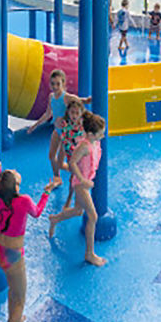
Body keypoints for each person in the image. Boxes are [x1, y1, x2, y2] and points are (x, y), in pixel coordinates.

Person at [0, 151, 55, 322]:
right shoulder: (24, 200)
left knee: (13, 290)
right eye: (13, 173)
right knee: (20, 299)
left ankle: (14, 319)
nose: (14, 169)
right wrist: (46, 192)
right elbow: (37, 212)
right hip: (13, 255)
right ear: (16, 188)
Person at [48, 112, 107, 266]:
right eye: (101, 133)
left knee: (78, 211)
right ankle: (89, 254)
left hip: (85, 181)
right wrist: (83, 180)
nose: (103, 135)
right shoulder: (84, 146)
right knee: (92, 216)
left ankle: (55, 219)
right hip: (80, 184)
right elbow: (73, 162)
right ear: (90, 134)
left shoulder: (94, 142)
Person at [25, 68, 72, 186]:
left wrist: (65, 120)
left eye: (58, 84)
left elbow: (76, 111)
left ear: (63, 83)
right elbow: (48, 114)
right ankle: (57, 177)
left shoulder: (66, 97)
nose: (55, 87)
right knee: (51, 156)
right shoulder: (51, 97)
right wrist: (34, 126)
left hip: (66, 133)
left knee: (61, 163)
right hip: (57, 131)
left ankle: (77, 171)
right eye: (53, 84)